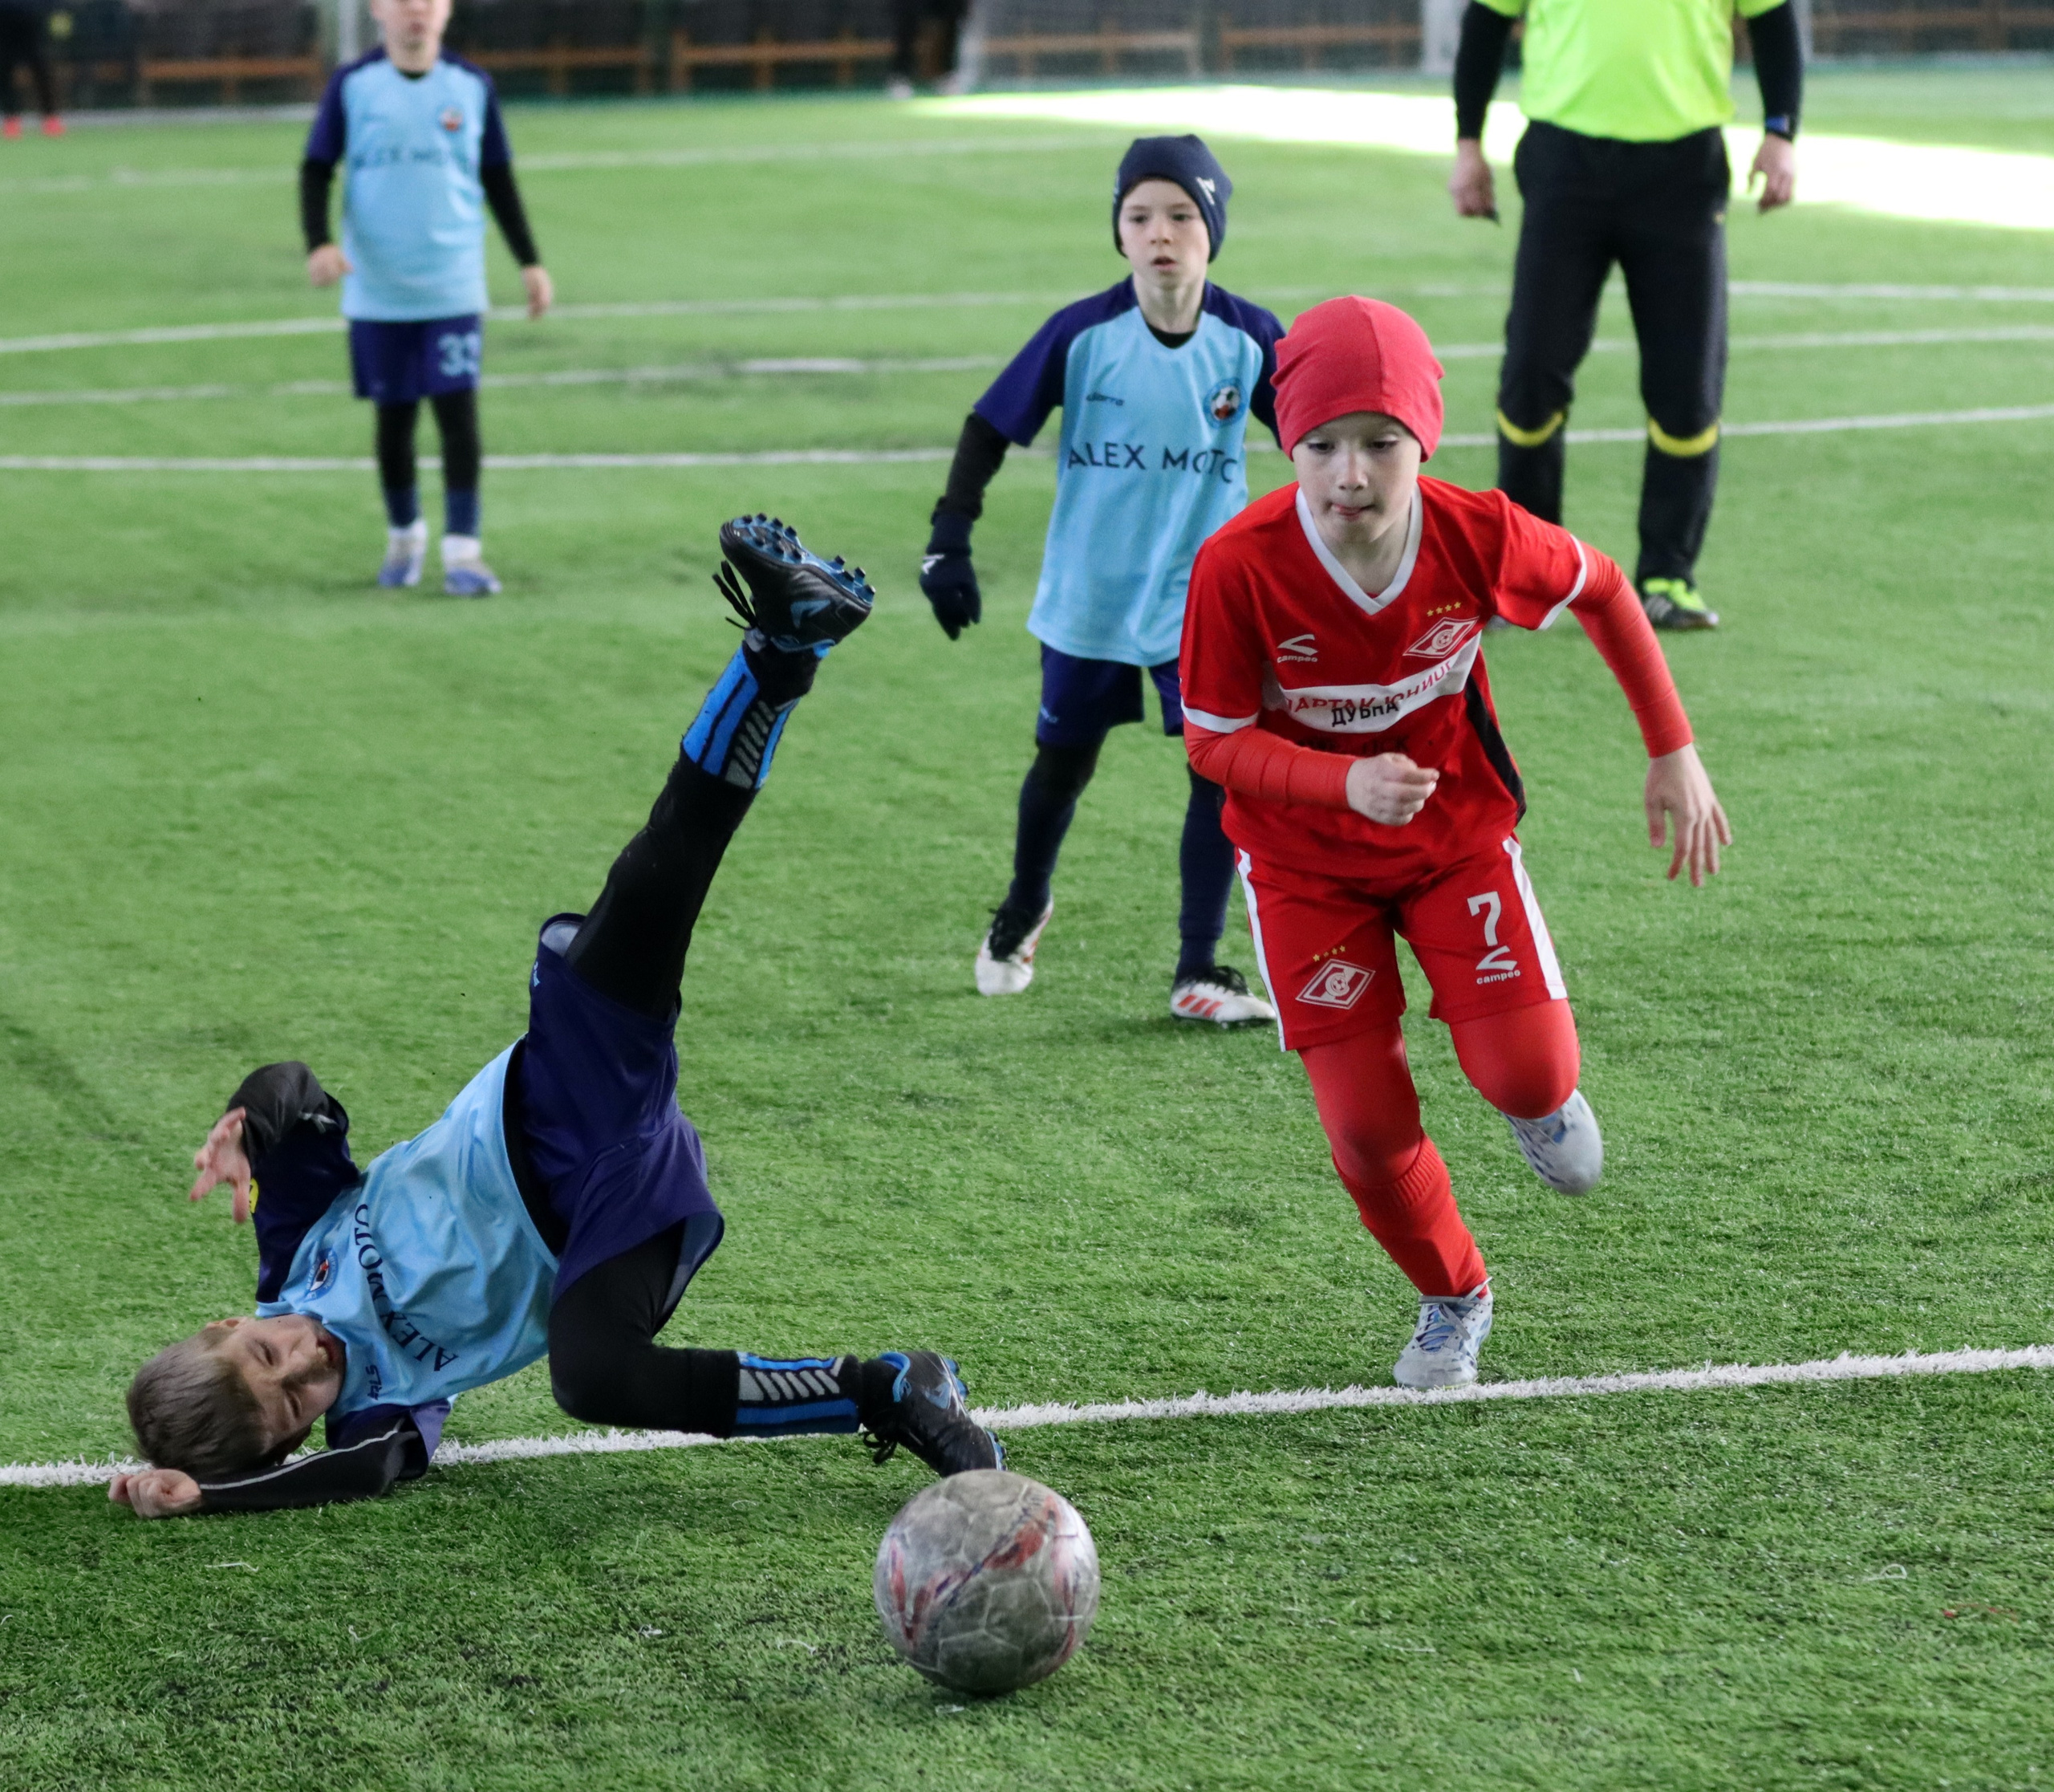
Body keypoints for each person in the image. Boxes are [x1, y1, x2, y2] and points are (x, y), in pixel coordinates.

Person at [109, 516, 1005, 1519]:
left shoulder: (291, 1259)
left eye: (268, 1353)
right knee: (592, 1378)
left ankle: (784, 643)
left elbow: (295, 1092)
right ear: (294, 1439)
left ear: (230, 1322)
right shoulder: (378, 1409)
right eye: (293, 1402)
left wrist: (245, 1120)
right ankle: (890, 1389)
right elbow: (364, 1472)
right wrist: (215, 1498)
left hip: (549, 1103)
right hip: (603, 1226)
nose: (307, 1361)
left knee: (655, 882)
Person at [1178, 296, 1730, 1389]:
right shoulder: (1238, 566)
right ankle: (1454, 1296)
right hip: (1302, 870)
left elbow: (1604, 588)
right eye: (1321, 445)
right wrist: (1344, 781)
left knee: (1529, 1072)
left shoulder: (1479, 533)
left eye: (1381, 443)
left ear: (1423, 441)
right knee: (1366, 1131)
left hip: (1456, 841)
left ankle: (1538, 1101)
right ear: (1287, 445)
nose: (1350, 476)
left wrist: (1673, 748)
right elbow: (1213, 742)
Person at [918, 136, 1285, 1025]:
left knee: (1219, 769)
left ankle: (1199, 966)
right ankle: (1024, 905)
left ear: (1213, 229)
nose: (1160, 233)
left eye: (1182, 215)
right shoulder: (1082, 334)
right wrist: (948, 541)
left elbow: (1318, 437)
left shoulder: (1250, 338)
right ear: (1117, 232)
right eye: (1139, 216)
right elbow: (988, 427)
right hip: (1090, 595)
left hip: (1200, 601)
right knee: (1062, 764)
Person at [1448, 0, 1804, 630]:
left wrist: (1781, 132)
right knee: (1531, 373)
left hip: (1683, 169)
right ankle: (1529, 573)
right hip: (1563, 163)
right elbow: (1485, 22)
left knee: (1687, 383)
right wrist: (1468, 144)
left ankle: (1667, 574)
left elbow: (1774, 21)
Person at [300, 0, 554, 597]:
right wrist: (319, 243)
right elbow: (316, 168)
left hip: (452, 285)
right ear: (377, 9)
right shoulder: (354, 85)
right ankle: (404, 536)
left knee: (458, 416)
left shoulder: (470, 86)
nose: (417, 8)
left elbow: (498, 177)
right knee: (394, 421)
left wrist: (530, 261)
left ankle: (464, 551)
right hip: (378, 289)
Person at [0, 0, 61, 138]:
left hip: (30, 15)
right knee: (4, 69)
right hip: (4, 16)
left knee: (40, 68)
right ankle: (11, 119)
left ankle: (50, 117)